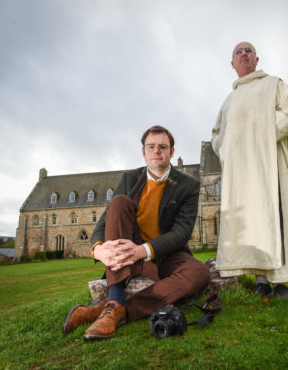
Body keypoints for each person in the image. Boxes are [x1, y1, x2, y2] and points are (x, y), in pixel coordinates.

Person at [63, 125, 211, 340]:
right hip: (126, 254)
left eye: (162, 146)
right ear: (144, 152)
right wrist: (97, 249)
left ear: (172, 151)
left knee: (200, 274)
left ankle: (112, 309)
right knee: (119, 202)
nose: (156, 151)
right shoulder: (129, 179)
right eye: (151, 147)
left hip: (165, 255)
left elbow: (181, 233)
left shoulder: (188, 186)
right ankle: (115, 300)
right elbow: (104, 223)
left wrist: (143, 250)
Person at [211, 41, 288, 299]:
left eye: (248, 50)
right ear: (232, 63)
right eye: (238, 52)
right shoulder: (229, 100)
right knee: (251, 221)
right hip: (240, 170)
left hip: (267, 160)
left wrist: (257, 136)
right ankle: (261, 280)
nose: (243, 54)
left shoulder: (273, 84)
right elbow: (218, 134)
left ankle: (281, 283)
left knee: (275, 214)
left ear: (256, 59)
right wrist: (227, 148)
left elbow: (287, 115)